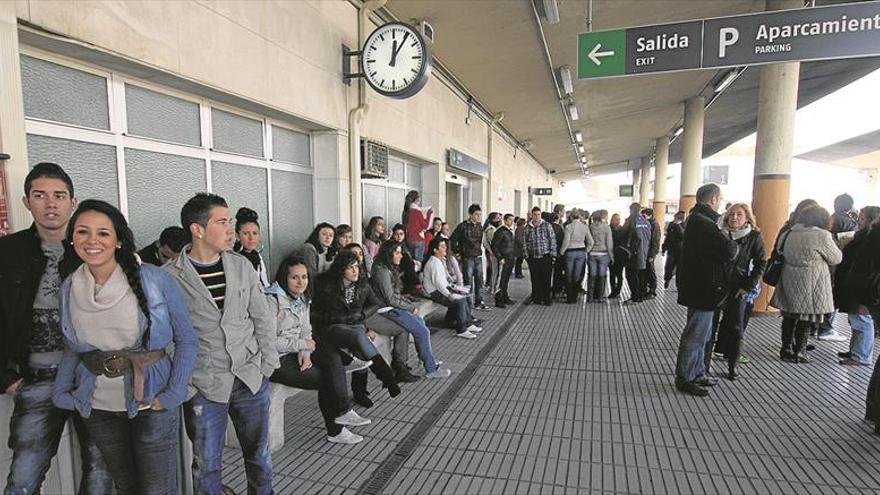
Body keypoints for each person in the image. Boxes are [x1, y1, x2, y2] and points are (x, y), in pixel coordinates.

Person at [54, 200, 198, 493]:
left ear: (118, 240)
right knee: (126, 487)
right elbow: (74, 347)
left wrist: (173, 394)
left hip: (151, 400)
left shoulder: (155, 279)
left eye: (103, 233)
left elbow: (187, 339)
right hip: (97, 407)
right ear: (72, 239)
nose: (92, 241)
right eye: (83, 232)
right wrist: (62, 393)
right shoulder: (69, 286)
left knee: (157, 489)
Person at [0, 163, 111, 494]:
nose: (51, 203)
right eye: (40, 195)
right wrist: (5, 376)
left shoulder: (93, 251)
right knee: (24, 476)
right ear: (26, 202)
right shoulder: (7, 252)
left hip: (91, 376)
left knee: (100, 468)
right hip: (35, 379)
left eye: (59, 195)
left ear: (72, 202)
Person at [165, 193, 279, 495]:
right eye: (223, 222)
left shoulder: (241, 266)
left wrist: (267, 365)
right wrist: (188, 383)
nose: (232, 229)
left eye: (230, 222)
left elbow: (262, 318)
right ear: (197, 229)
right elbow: (167, 337)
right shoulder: (169, 277)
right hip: (204, 384)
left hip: (249, 377)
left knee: (259, 457)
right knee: (206, 465)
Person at [265, 255, 370, 445]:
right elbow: (269, 341)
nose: (300, 282)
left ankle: (342, 413)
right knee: (328, 377)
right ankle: (337, 427)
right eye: (294, 277)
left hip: (296, 351)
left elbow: (305, 330)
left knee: (329, 357)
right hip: (275, 359)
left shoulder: (302, 298)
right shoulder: (271, 301)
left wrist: (305, 353)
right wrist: (302, 346)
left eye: (304, 277)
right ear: (283, 278)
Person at [310, 250, 402, 408]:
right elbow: (312, 312)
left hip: (355, 324)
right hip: (333, 326)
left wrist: (361, 315)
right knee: (359, 338)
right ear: (341, 268)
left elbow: (375, 304)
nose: (355, 271)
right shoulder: (324, 283)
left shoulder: (362, 284)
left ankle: (360, 392)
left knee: (361, 347)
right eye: (350, 267)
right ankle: (387, 377)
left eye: (357, 267)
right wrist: (333, 318)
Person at [674, 183, 738, 397]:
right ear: (714, 199)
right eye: (719, 200)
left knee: (704, 333)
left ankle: (698, 371)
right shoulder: (705, 224)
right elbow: (728, 251)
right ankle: (686, 377)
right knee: (696, 334)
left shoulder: (697, 220)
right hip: (703, 288)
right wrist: (732, 241)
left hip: (700, 286)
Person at [771, 205, 842, 364]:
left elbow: (779, 251)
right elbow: (836, 258)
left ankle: (785, 349)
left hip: (788, 278)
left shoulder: (789, 232)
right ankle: (800, 351)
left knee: (788, 316)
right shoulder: (822, 235)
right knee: (806, 318)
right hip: (812, 281)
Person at [371, 241, 451, 378]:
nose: (400, 256)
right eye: (397, 253)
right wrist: (410, 307)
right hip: (387, 309)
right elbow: (390, 298)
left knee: (421, 322)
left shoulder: (388, 268)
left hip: (394, 307)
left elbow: (395, 295)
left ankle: (426, 359)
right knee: (422, 330)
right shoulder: (382, 271)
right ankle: (431, 368)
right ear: (388, 254)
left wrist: (409, 305)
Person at [709, 203, 766, 380]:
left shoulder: (754, 236)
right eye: (731, 214)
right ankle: (703, 365)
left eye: (739, 214)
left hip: (738, 288)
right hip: (717, 285)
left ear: (747, 218)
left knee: (736, 328)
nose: (734, 217)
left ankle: (732, 366)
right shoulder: (718, 233)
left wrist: (748, 286)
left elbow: (761, 262)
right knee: (710, 327)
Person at [834, 206, 880, 367]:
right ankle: (855, 351)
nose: (858, 220)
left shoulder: (871, 236)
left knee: (862, 319)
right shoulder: (865, 235)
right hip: (857, 283)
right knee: (856, 319)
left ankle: (861, 356)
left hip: (864, 285)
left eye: (862, 218)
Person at [422, 236, 482, 339]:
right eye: (442, 247)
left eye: (445, 246)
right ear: (435, 250)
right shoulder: (433, 263)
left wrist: (455, 287)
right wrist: (449, 294)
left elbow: (445, 279)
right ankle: (461, 329)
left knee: (466, 295)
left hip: (442, 289)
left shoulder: (439, 260)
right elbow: (438, 284)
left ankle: (467, 323)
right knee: (460, 301)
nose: (445, 248)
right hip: (435, 292)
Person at [450, 204, 490, 310]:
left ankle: (479, 302)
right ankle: (468, 303)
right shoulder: (463, 226)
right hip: (467, 257)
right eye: (476, 214)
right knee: (468, 281)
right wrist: (458, 253)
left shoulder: (479, 226)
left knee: (480, 280)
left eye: (480, 215)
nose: (478, 217)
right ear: (470, 214)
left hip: (478, 256)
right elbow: (452, 240)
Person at [525, 206, 557, 306]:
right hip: (533, 257)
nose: (537, 216)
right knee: (535, 279)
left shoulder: (547, 225)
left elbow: (552, 240)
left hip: (545, 256)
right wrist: (526, 256)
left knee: (546, 279)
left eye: (538, 214)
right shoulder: (527, 227)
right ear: (532, 216)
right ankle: (537, 298)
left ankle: (547, 299)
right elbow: (524, 242)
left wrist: (553, 255)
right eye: (535, 215)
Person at [559, 210, 593, 303]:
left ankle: (570, 298)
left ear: (571, 217)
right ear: (579, 217)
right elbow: (591, 242)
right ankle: (575, 295)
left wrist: (561, 252)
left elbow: (566, 242)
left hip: (570, 252)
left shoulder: (569, 227)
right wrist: (586, 251)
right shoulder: (585, 227)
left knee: (569, 275)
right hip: (581, 252)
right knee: (577, 275)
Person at [620, 203, 651, 304]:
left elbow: (623, 232)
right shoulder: (646, 221)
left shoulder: (631, 220)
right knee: (641, 275)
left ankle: (635, 297)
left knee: (631, 275)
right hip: (644, 252)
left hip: (633, 253)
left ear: (631, 210)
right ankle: (640, 296)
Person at [234, 207, 269, 288]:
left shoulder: (258, 257)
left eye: (255, 233)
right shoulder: (234, 259)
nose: (251, 238)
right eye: (246, 233)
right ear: (237, 236)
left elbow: (265, 284)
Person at [490, 214, 516, 308]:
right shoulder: (500, 231)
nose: (511, 222)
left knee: (506, 279)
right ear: (505, 220)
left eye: (512, 220)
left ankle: (504, 297)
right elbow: (494, 245)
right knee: (501, 280)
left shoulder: (509, 231)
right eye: (509, 220)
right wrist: (500, 258)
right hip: (503, 259)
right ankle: (499, 299)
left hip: (510, 258)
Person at [588, 210, 613, 302]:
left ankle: (590, 298)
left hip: (592, 253)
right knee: (602, 275)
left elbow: (588, 241)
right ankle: (599, 298)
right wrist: (611, 256)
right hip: (603, 254)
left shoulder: (590, 227)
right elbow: (609, 243)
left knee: (592, 275)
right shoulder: (606, 227)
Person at [402, 190, 433, 262]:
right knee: (418, 262)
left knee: (411, 261)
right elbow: (425, 225)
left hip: (409, 239)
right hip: (418, 238)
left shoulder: (406, 211)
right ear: (416, 200)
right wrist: (429, 213)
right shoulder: (417, 211)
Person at [641, 208, 661, 298]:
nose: (643, 218)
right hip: (646, 252)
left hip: (650, 252)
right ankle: (646, 289)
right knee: (646, 271)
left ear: (650, 215)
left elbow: (655, 241)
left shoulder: (654, 225)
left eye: (644, 216)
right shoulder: (648, 224)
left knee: (650, 271)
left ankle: (652, 290)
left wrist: (652, 255)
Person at [662, 211, 685, 289]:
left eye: (675, 218)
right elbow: (667, 237)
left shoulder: (683, 225)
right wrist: (664, 248)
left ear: (679, 219)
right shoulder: (671, 225)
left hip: (680, 251)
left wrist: (678, 225)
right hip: (671, 250)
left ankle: (678, 285)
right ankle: (667, 280)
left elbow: (683, 236)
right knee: (668, 266)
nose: (674, 219)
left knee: (679, 269)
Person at [482, 212, 502, 297]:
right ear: (493, 219)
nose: (500, 219)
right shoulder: (491, 230)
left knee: (495, 270)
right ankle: (493, 288)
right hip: (494, 254)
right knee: (495, 271)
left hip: (496, 253)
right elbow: (492, 243)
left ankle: (492, 286)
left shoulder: (496, 228)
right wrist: (492, 252)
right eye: (498, 218)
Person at [548, 213, 566, 300]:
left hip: (548, 253)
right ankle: (556, 290)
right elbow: (562, 240)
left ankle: (547, 290)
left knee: (547, 273)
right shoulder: (559, 228)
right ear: (557, 218)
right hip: (558, 253)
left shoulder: (547, 227)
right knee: (557, 273)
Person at [609, 213, 626, 299]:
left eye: (619, 219)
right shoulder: (609, 229)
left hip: (620, 255)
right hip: (611, 253)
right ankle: (613, 291)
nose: (617, 221)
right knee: (612, 274)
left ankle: (618, 291)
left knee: (619, 274)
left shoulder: (623, 229)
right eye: (616, 219)